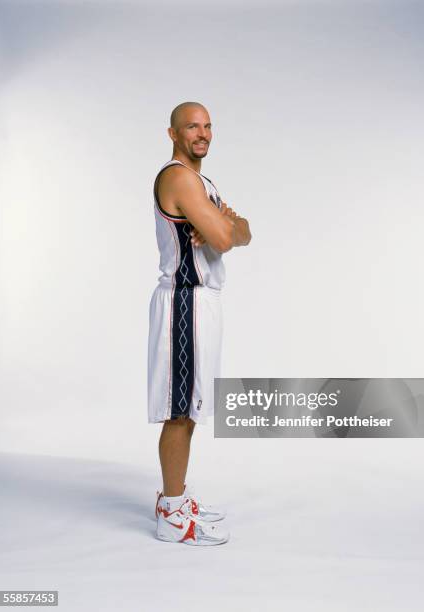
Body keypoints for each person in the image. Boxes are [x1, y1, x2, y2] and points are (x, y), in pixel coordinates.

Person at [147, 102, 252, 545]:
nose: (202, 133)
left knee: (192, 406)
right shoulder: (177, 177)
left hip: (203, 301)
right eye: (192, 126)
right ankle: (172, 515)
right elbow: (228, 238)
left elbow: (242, 231)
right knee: (179, 409)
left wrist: (221, 224)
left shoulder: (202, 181)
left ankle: (175, 495)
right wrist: (221, 226)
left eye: (207, 126)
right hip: (184, 301)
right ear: (172, 133)